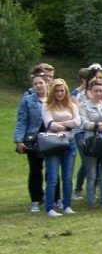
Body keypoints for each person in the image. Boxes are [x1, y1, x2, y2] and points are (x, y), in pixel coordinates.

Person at [42, 79, 80, 217]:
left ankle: (67, 205)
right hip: (53, 142)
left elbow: (77, 122)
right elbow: (50, 124)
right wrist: (67, 124)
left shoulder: (71, 105)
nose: (59, 93)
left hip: (69, 142)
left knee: (68, 177)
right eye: (57, 91)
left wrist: (60, 124)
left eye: (62, 91)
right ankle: (50, 208)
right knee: (52, 177)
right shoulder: (47, 106)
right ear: (52, 92)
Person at [15, 72, 49, 213]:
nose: (38, 86)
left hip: (51, 137)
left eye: (40, 83)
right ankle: (36, 199)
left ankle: (54, 198)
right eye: (35, 84)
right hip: (33, 138)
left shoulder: (53, 99)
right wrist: (18, 140)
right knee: (35, 170)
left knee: (52, 169)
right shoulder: (28, 100)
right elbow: (22, 121)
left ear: (46, 83)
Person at [78, 81, 102, 209]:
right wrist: (99, 125)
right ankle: (91, 203)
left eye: (101, 91)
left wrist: (95, 124)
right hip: (91, 142)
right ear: (90, 92)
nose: (99, 93)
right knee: (91, 175)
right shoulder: (84, 106)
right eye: (96, 91)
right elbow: (84, 123)